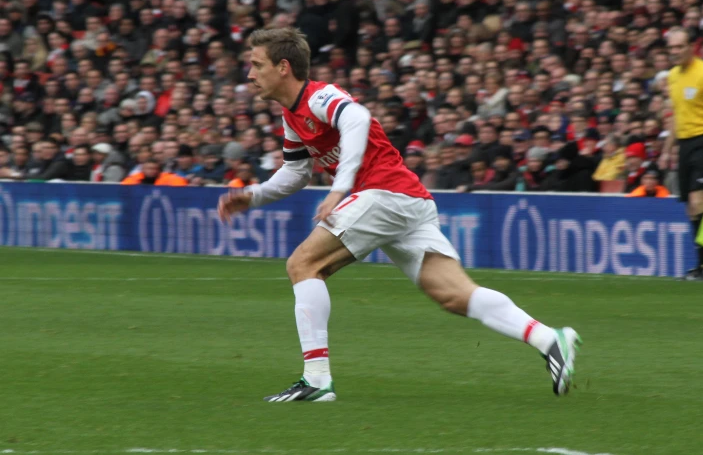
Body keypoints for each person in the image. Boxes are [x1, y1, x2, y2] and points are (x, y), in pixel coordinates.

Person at [218, 28, 581, 402]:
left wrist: (340, 188)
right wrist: (254, 196)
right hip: (406, 199)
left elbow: (357, 118)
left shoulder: (319, 96)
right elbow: (296, 172)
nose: (249, 73)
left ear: (283, 67)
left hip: (381, 192)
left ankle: (316, 380)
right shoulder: (292, 115)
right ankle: (550, 339)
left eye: (256, 64)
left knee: (303, 264)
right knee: (455, 295)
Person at [660, 28, 703, 281]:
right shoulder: (673, 76)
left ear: (692, 47)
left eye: (679, 47)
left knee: (699, 202)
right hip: (685, 145)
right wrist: (668, 149)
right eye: (671, 48)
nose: (675, 52)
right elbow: (676, 115)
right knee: (691, 208)